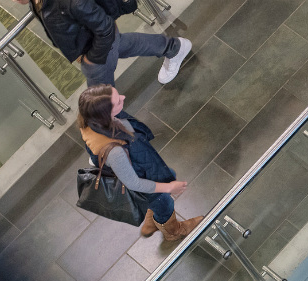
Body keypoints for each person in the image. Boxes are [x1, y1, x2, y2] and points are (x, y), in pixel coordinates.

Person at [77, 84, 203, 240]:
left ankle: (152, 221)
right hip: (144, 181)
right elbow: (134, 183)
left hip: (143, 167)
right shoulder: (115, 152)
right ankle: (173, 231)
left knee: (169, 175)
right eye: (117, 102)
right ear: (104, 115)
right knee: (164, 204)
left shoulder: (89, 120)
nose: (123, 98)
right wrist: (170, 186)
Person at [16, 0, 191, 86]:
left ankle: (109, 138)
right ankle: (174, 48)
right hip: (89, 40)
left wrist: (93, 59)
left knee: (99, 99)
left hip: (95, 47)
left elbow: (105, 27)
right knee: (121, 44)